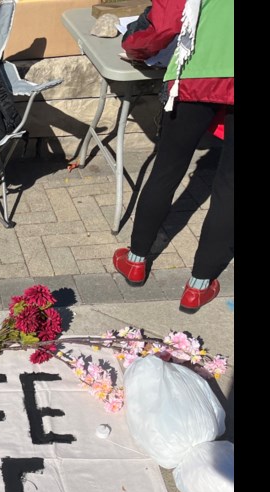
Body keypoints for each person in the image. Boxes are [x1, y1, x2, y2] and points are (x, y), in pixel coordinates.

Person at [111, 0, 233, 313]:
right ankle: (198, 286)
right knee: (229, 190)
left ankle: (136, 261)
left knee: (167, 169)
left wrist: (134, 47)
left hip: (195, 74)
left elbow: (162, 24)